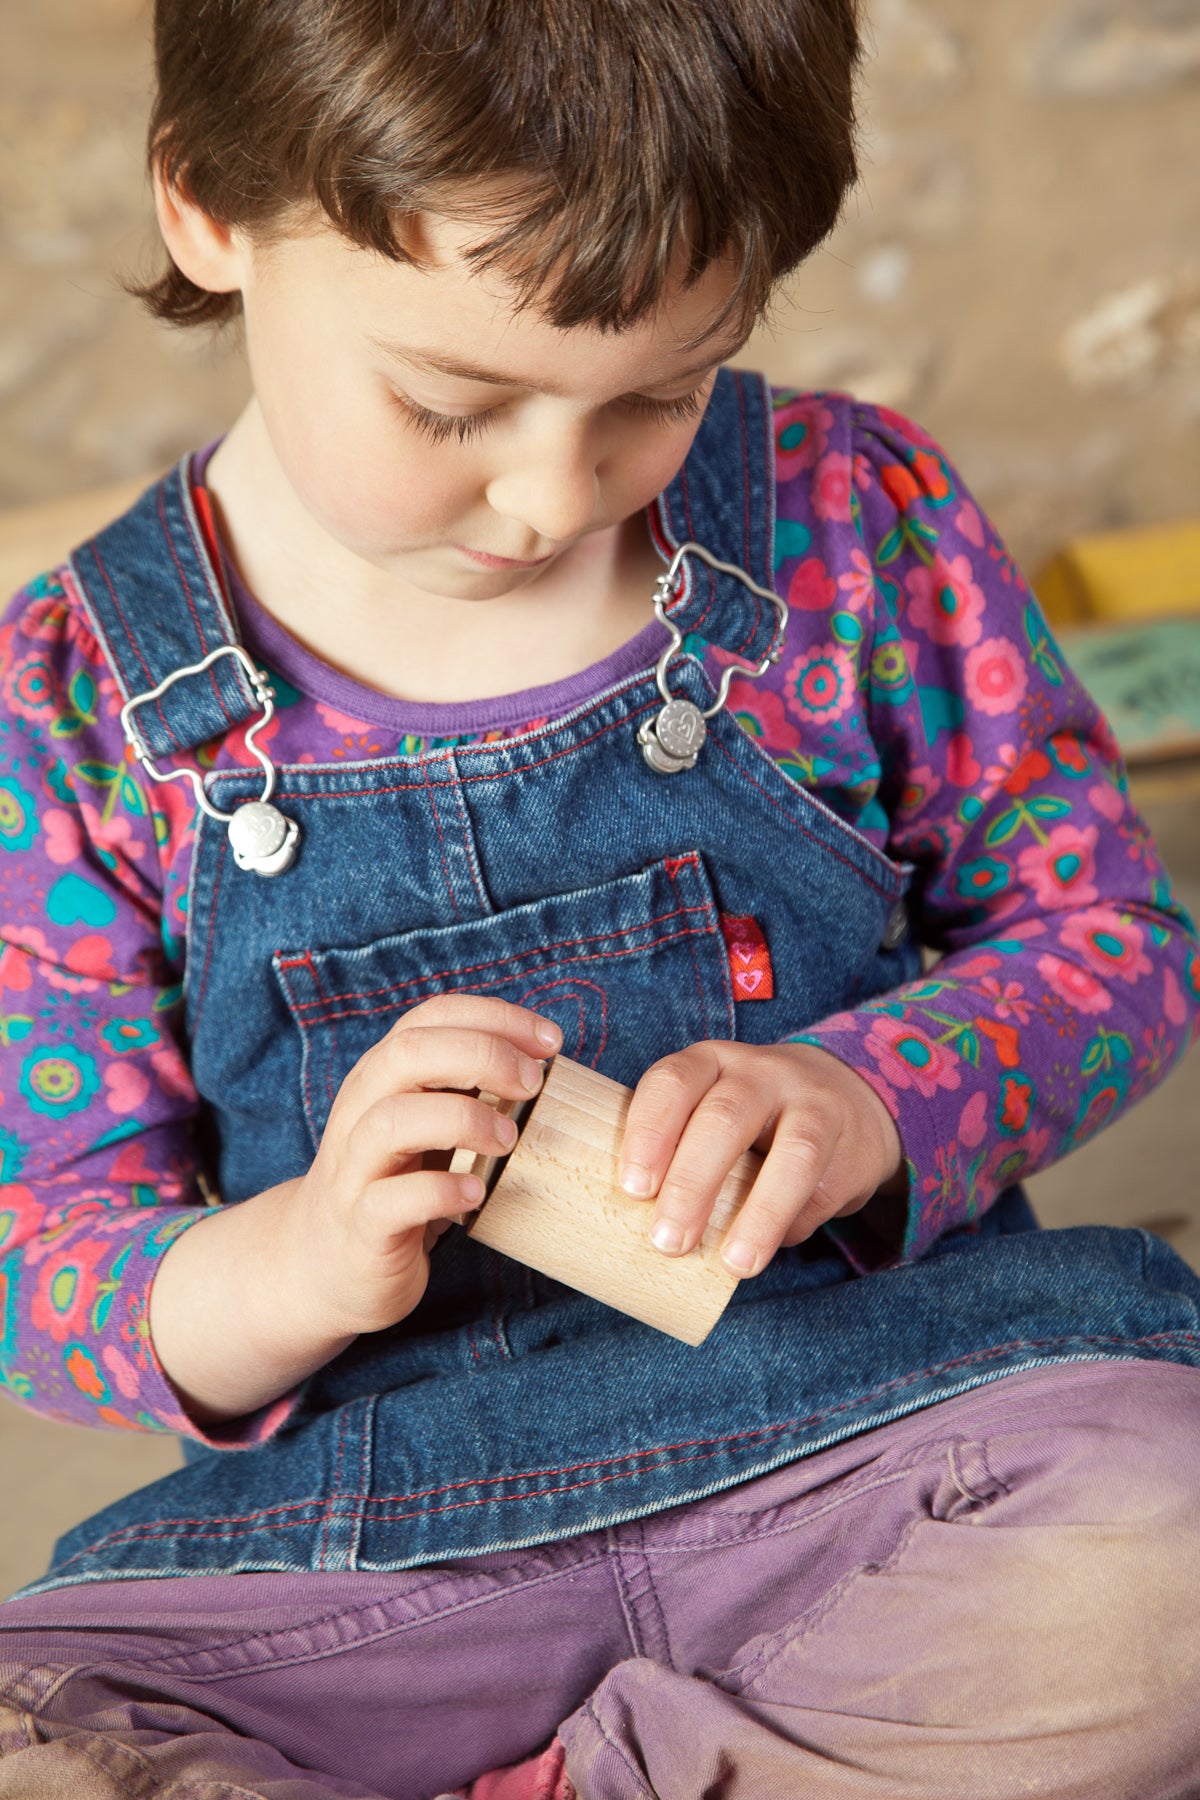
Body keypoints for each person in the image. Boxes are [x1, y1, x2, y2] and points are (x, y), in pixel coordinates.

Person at [1, 1, 1199, 1795]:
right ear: (206, 212)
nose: (556, 495)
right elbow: (46, 1252)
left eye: (660, 389)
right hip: (381, 1553)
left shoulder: (852, 522)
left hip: (887, 1437)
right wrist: (301, 1259)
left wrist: (875, 1097)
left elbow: (1107, 936)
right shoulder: (69, 708)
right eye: (449, 402)